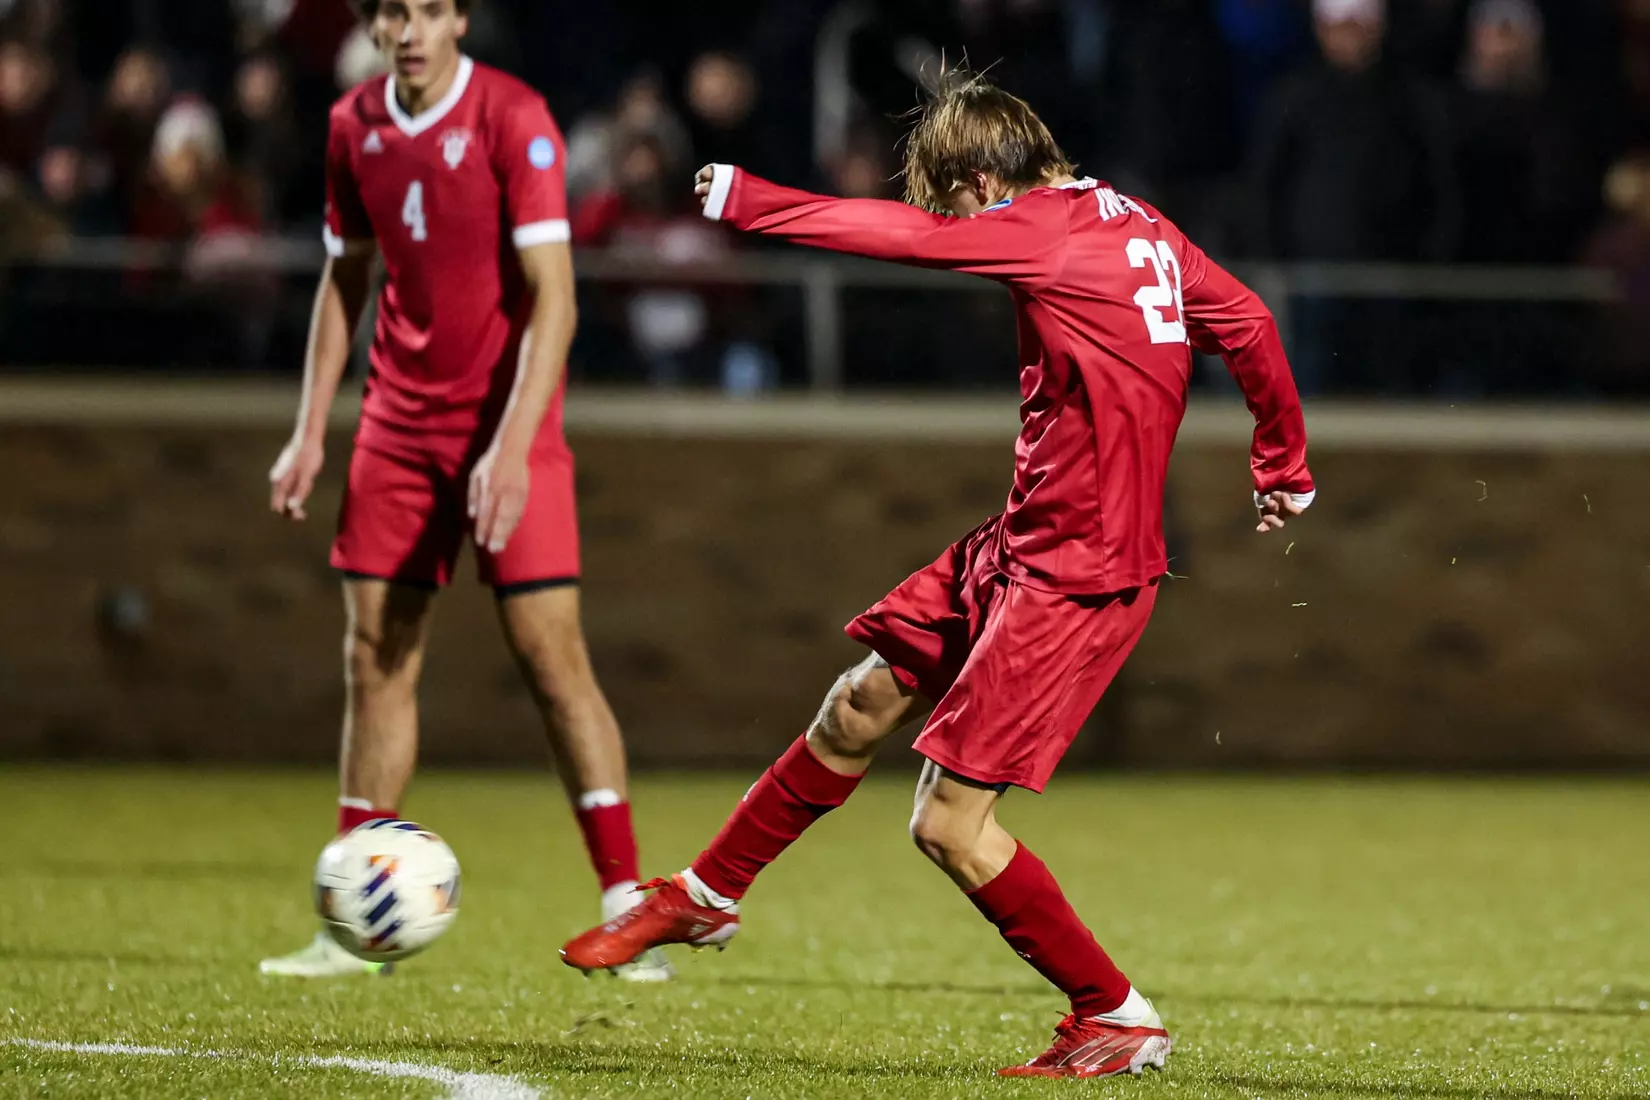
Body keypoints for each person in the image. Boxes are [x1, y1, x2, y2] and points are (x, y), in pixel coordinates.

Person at [561, 72, 1315, 1078]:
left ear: (975, 181)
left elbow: (898, 238)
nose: (953, 221)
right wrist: (1283, 461)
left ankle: (1117, 1010)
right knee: (859, 705)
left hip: (1075, 577)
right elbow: (1254, 323)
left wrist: (746, 200)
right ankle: (705, 894)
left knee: (949, 823)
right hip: (1021, 544)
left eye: (950, 199)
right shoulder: (1140, 224)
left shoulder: (1033, 225)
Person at [261, 0, 668, 983]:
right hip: (397, 429)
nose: (410, 29)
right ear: (371, 22)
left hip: (507, 428)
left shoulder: (513, 118)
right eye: (393, 11)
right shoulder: (351, 124)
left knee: (549, 654)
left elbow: (556, 298)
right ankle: (353, 924)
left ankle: (626, 906)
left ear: (459, 21)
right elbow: (343, 279)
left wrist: (514, 445)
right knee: (376, 654)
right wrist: (311, 426)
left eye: (430, 11)